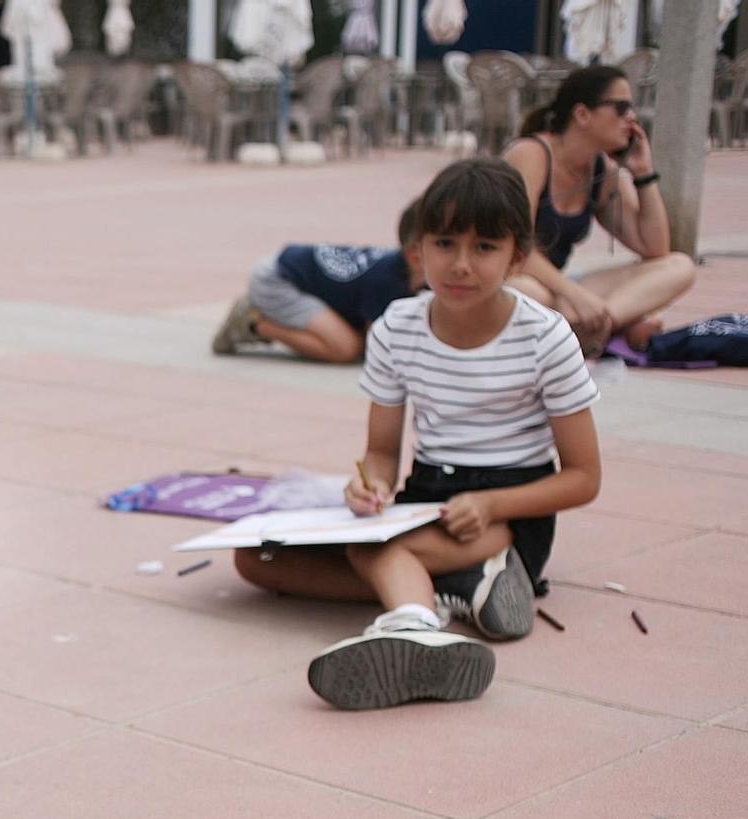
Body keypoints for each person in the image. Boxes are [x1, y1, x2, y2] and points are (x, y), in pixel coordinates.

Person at [234, 159, 602, 712]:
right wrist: (370, 487)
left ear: (517, 257)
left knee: (377, 547)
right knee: (256, 561)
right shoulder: (395, 328)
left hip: (510, 510)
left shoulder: (544, 337)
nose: (460, 264)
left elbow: (584, 478)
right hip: (426, 500)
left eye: (484, 247)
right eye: (445, 243)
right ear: (418, 250)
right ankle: (465, 588)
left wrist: (490, 502)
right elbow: (381, 452)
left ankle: (413, 628)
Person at [502, 64, 694, 354]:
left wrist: (643, 173)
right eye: (621, 107)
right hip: (512, 280)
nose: (631, 118)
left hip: (557, 293)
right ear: (582, 114)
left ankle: (591, 327)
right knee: (529, 292)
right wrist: (575, 294)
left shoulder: (603, 171)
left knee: (680, 266)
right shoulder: (530, 154)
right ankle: (598, 326)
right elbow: (514, 247)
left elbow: (654, 248)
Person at [213, 204, 426, 363]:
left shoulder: (407, 272)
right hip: (278, 280)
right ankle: (255, 323)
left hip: (297, 274)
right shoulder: (387, 282)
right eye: (445, 245)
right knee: (346, 348)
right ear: (414, 256)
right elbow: (379, 347)